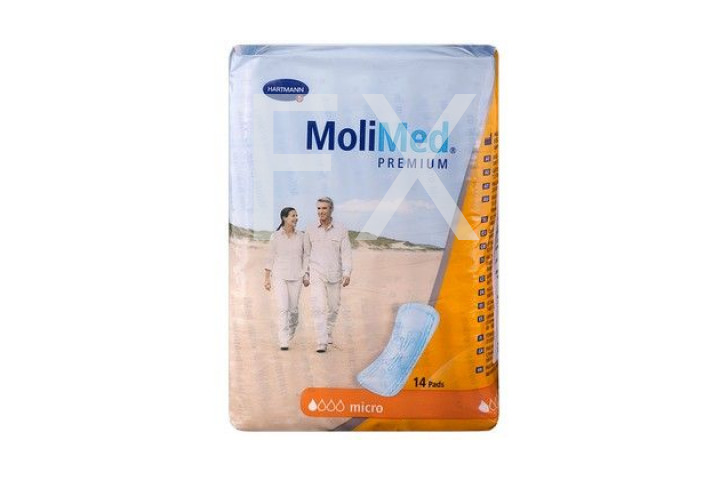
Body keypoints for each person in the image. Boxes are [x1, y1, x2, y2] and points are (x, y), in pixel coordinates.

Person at [303, 197, 352, 353]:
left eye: (324, 208)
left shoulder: (341, 229)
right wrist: (305, 274)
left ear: (331, 209)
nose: (321, 211)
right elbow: (306, 254)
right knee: (318, 307)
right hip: (316, 273)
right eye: (318, 208)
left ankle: (328, 331)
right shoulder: (310, 229)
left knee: (333, 307)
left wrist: (347, 272)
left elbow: (346, 252)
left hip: (335, 274)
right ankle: (321, 340)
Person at [264, 207, 304, 350]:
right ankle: (283, 340)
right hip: (279, 276)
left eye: (296, 215)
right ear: (284, 218)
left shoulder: (301, 236)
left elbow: (306, 257)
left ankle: (291, 329)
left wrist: (307, 275)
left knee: (293, 310)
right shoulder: (275, 236)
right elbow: (270, 257)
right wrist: (267, 278)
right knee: (283, 308)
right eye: (293, 215)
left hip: (296, 276)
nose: (296, 218)